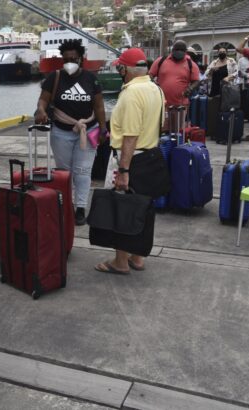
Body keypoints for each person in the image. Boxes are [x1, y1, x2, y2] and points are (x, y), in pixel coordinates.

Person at [95, 48, 163, 274]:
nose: (118, 72)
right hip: (150, 156)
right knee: (142, 208)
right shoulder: (156, 89)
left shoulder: (132, 93)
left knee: (121, 209)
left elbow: (130, 134)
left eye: (119, 68)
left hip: (129, 157)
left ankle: (120, 261)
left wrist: (123, 169)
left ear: (125, 69)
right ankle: (137, 257)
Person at [35, 39, 107, 225]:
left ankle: (81, 207)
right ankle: (67, 204)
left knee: (83, 171)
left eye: (74, 59)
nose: (70, 63)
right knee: (65, 172)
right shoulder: (55, 77)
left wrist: (103, 128)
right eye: (66, 59)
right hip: (61, 131)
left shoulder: (91, 79)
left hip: (87, 130)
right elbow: (43, 100)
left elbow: (99, 106)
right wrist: (41, 111)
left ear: (81, 59)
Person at [149, 40, 199, 128]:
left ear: (185, 51)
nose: (178, 52)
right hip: (162, 104)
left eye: (181, 50)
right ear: (172, 50)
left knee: (178, 131)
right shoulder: (161, 60)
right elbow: (150, 75)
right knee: (162, 129)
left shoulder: (190, 64)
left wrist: (190, 89)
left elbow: (196, 81)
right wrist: (154, 85)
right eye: (177, 49)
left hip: (180, 105)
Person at [237, 54, 249, 121]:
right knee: (243, 100)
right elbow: (239, 72)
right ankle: (244, 116)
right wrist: (246, 75)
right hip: (243, 83)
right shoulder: (241, 60)